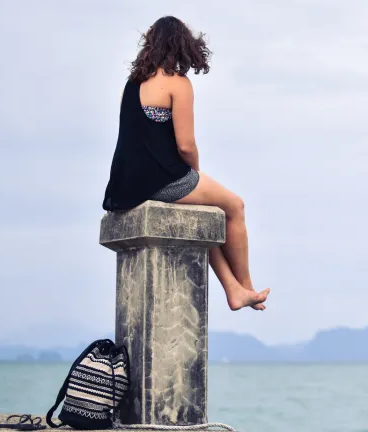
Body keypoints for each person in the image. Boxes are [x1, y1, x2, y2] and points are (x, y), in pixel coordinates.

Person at [102, 16, 270, 311]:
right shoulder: (178, 83)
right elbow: (185, 145)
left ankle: (232, 289)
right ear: (183, 46)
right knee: (234, 206)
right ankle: (246, 286)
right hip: (160, 179)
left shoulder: (131, 86)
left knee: (207, 215)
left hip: (126, 184)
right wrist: (194, 173)